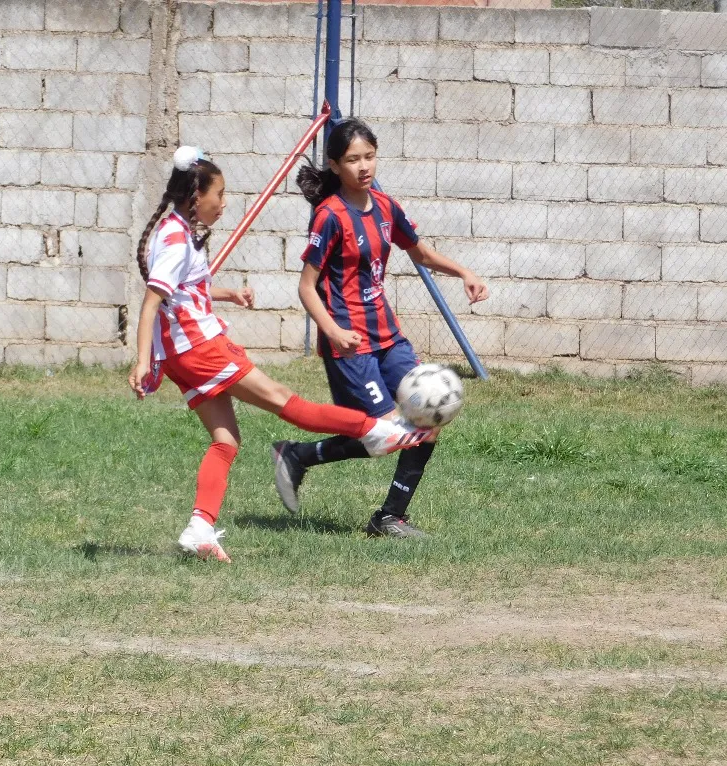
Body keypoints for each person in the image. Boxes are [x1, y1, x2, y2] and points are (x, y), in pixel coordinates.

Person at [130, 145, 435, 563]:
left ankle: (200, 528)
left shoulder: (177, 232)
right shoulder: (175, 239)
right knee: (284, 402)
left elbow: (182, 291)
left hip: (183, 354)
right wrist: (142, 361)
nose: (223, 203)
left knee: (226, 440)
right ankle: (379, 431)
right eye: (219, 195)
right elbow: (151, 303)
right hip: (201, 348)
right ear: (195, 196)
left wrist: (227, 293)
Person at [271, 119, 489, 538]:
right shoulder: (329, 216)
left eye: (369, 156)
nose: (363, 166)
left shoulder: (386, 207)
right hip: (350, 345)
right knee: (387, 432)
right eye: (352, 159)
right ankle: (297, 454)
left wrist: (463, 271)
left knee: (429, 420)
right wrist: (332, 331)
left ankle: (390, 517)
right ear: (335, 165)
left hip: (388, 338)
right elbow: (306, 287)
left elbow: (420, 252)